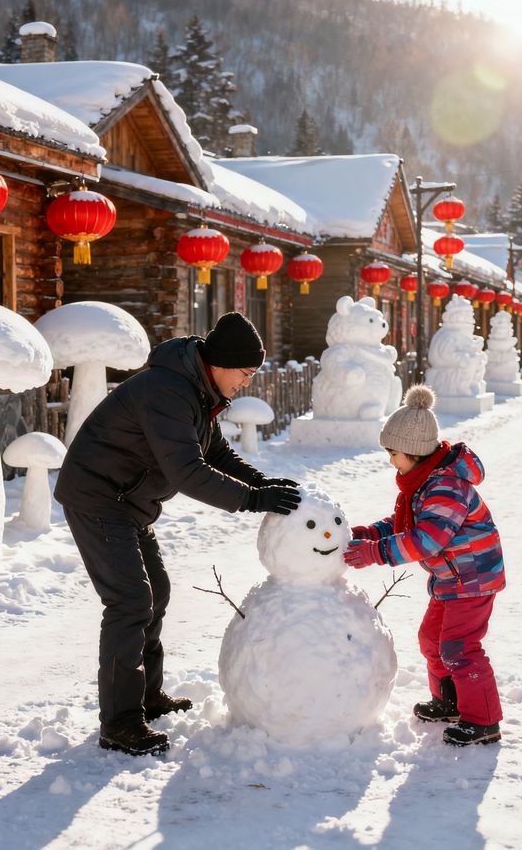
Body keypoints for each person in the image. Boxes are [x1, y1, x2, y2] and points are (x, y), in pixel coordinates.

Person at [55, 312, 301, 756]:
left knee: (157, 593)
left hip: (127, 502)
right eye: (245, 373)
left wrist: (262, 484)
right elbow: (187, 471)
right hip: (98, 496)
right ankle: (120, 722)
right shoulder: (166, 391)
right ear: (221, 364)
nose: (246, 382)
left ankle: (145, 697)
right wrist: (251, 501)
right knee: (130, 601)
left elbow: (215, 452)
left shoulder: (197, 390)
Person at [343, 385, 505, 746]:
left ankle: (483, 722)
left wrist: (375, 552)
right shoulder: (422, 481)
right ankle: (450, 701)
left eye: (393, 453)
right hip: (452, 578)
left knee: (459, 647)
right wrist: (371, 532)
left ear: (414, 452)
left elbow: (427, 539)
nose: (390, 460)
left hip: (473, 577)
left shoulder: (445, 486)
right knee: (432, 639)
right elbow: (407, 523)